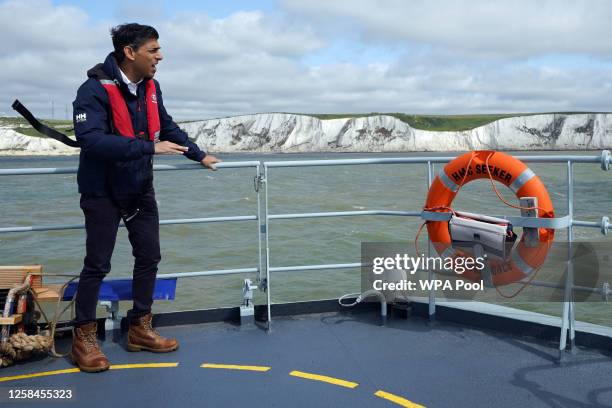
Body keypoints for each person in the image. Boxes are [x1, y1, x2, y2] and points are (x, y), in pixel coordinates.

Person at [70, 23, 220, 373]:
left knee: (150, 256)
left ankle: (139, 327)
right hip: (101, 191)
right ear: (129, 51)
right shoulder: (91, 90)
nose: (160, 56)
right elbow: (91, 140)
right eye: (153, 50)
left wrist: (198, 154)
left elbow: (166, 126)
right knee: (97, 264)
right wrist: (148, 147)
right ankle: (83, 337)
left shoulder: (151, 88)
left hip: (138, 188)